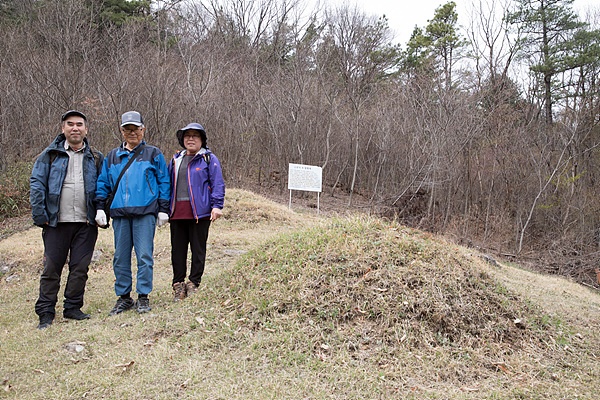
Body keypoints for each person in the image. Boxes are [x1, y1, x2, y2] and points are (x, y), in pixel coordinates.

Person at [30, 110, 104, 329]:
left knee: (80, 267)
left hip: (86, 222)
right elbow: (37, 184)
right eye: (70, 124)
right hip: (55, 223)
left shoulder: (96, 157)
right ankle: (45, 312)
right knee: (51, 267)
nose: (75, 128)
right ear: (63, 128)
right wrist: (40, 214)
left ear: (86, 129)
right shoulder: (49, 155)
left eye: (79, 124)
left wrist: (103, 212)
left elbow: (103, 187)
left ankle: (72, 307)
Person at [95, 111, 170, 315]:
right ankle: (124, 297)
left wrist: (164, 209)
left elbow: (164, 181)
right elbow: (103, 183)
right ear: (122, 130)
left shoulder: (153, 154)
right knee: (120, 257)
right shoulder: (112, 156)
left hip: (145, 212)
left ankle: (143, 296)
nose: (132, 133)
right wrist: (100, 206)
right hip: (119, 213)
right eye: (127, 129)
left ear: (143, 129)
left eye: (135, 129)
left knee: (144, 255)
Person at [168, 122, 225, 301]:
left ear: (202, 140)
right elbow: (167, 184)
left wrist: (217, 205)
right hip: (177, 213)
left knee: (198, 249)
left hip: (200, 213)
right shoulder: (176, 159)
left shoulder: (209, 159)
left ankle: (193, 283)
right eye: (187, 136)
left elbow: (217, 183)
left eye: (195, 136)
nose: (190, 139)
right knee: (178, 250)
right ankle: (178, 285)